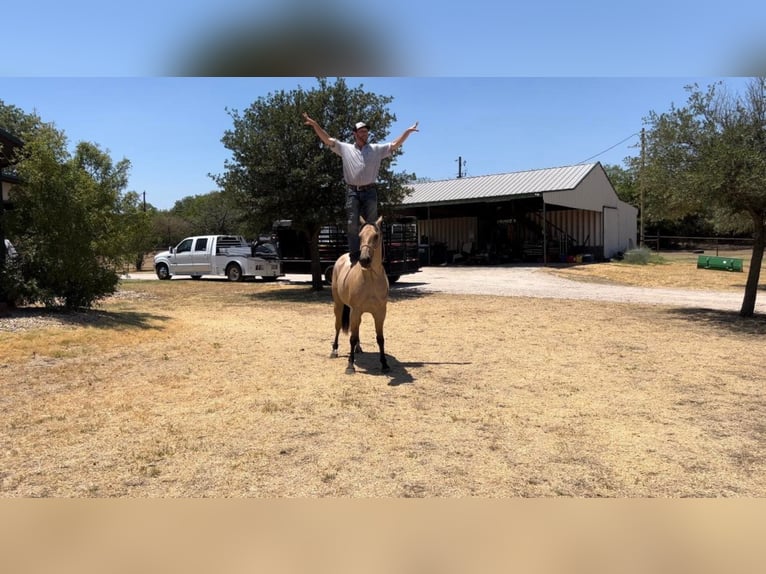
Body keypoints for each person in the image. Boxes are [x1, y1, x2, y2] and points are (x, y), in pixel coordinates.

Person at [303, 112, 419, 263]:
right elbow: (327, 139)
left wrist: (407, 132)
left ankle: (375, 257)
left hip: (369, 191)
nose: (365, 134)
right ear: (355, 134)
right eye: (362, 132)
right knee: (352, 224)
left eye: (366, 131)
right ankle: (354, 256)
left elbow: (394, 144)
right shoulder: (345, 149)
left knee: (372, 225)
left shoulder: (376, 149)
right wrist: (315, 125)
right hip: (352, 191)